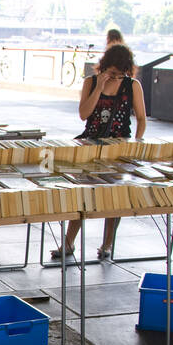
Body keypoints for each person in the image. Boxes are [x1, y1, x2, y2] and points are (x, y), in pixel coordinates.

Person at [51, 42, 147, 261]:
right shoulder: (91, 82)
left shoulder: (132, 85)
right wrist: (99, 88)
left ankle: (107, 244)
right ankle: (68, 242)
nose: (115, 78)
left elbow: (142, 118)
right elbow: (84, 114)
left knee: (115, 199)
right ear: (104, 67)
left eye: (120, 74)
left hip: (118, 147)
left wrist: (137, 142)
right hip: (90, 144)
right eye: (111, 73)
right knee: (82, 196)